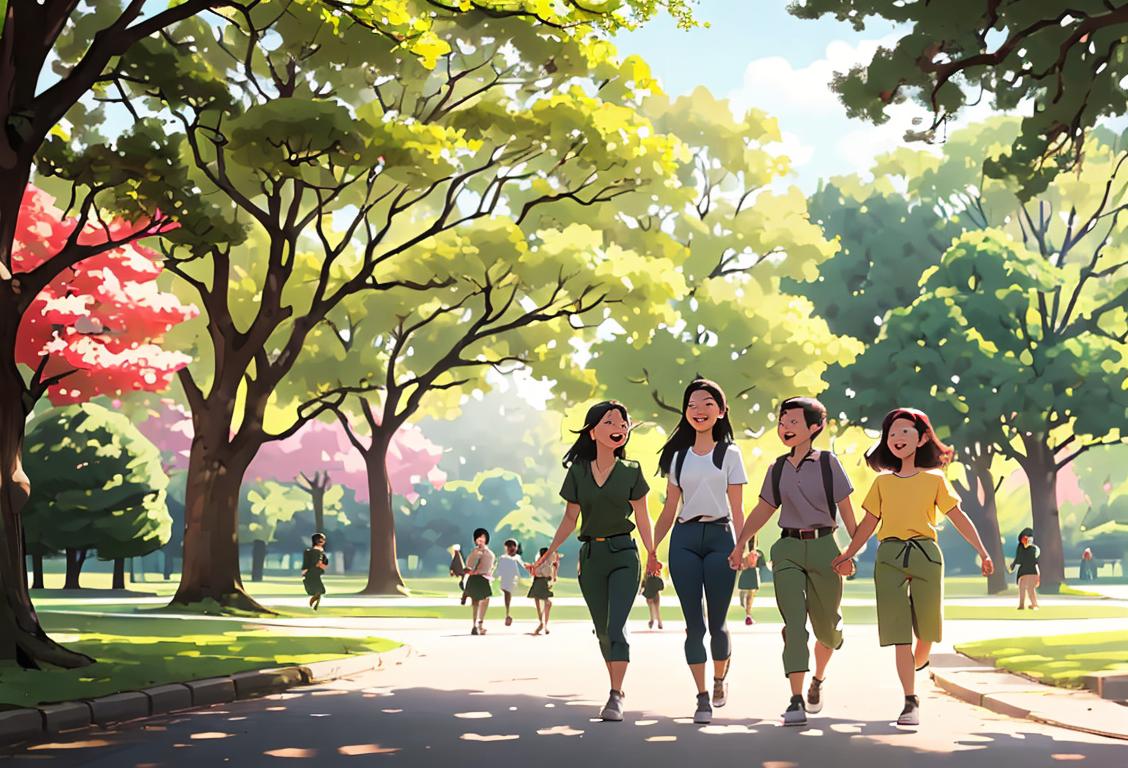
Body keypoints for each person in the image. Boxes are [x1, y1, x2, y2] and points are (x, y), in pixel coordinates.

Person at [832, 407, 995, 727]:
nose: (897, 439)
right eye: (891, 433)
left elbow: (958, 517)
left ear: (921, 438)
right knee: (899, 635)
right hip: (889, 556)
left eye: (905, 431)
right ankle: (910, 700)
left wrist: (982, 551)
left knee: (928, 633)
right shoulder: (882, 483)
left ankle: (918, 663)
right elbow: (868, 523)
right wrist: (847, 553)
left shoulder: (934, 480)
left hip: (926, 555)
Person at [729, 396, 858, 727]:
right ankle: (796, 699)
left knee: (827, 631)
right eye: (782, 422)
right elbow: (762, 510)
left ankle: (817, 680)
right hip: (786, 549)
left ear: (815, 428)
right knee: (795, 625)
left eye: (793, 422)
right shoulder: (777, 469)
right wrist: (741, 542)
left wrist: (850, 553)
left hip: (825, 549)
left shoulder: (829, 464)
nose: (785, 428)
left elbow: (847, 512)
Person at [531, 400, 656, 722]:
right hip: (591, 557)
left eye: (623, 423)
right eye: (610, 422)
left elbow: (643, 516)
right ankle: (616, 686)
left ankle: (615, 694)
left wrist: (653, 552)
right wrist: (548, 553)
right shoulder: (578, 472)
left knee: (616, 626)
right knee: (602, 630)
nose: (619, 429)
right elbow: (570, 517)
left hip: (624, 555)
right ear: (592, 431)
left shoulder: (632, 471)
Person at [651, 378, 746, 725]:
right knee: (694, 625)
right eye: (692, 404)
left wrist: (742, 547)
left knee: (717, 624)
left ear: (720, 412)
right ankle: (702, 696)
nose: (699, 410)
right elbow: (668, 509)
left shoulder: (730, 454)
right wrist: (652, 549)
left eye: (707, 403)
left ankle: (720, 679)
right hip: (685, 539)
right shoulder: (678, 457)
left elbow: (739, 509)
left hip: (721, 537)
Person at [464, 528, 495, 635]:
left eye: (483, 537)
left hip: (484, 579)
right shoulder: (474, 552)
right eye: (479, 537)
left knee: (485, 600)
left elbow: (490, 567)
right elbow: (469, 565)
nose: (481, 539)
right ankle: (474, 625)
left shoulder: (489, 553)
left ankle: (480, 623)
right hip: (475, 578)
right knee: (475, 602)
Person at [527, 547, 559, 635]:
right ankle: (543, 623)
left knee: (541, 603)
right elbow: (545, 574)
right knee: (546, 603)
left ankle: (542, 623)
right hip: (540, 583)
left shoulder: (543, 563)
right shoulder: (545, 563)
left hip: (539, 583)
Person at [496, 538, 526, 627]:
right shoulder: (503, 558)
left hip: (514, 580)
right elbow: (499, 570)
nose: (511, 548)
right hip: (507, 580)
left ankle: (508, 614)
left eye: (513, 546)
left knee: (508, 594)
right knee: (507, 594)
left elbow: (522, 569)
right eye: (509, 547)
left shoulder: (517, 558)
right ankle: (507, 614)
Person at [737, 537, 765, 625]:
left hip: (746, 576)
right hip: (752, 576)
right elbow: (762, 565)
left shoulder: (743, 553)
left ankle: (747, 614)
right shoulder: (757, 554)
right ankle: (748, 614)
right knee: (750, 596)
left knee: (746, 596)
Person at [1009, 528, 1040, 610]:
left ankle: (1032, 604)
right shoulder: (1023, 548)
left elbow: (1033, 561)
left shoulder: (1033, 549)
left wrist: (1013, 564)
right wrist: (1013, 564)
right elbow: (1019, 559)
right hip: (1026, 571)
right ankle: (1025, 604)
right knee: (1025, 588)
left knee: (1028, 588)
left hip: (1029, 571)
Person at [301, 533, 329, 611]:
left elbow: (325, 562)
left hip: (316, 571)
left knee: (319, 589)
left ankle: (315, 603)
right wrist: (305, 569)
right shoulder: (310, 551)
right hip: (312, 571)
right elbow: (307, 562)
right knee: (318, 589)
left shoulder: (320, 552)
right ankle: (315, 603)